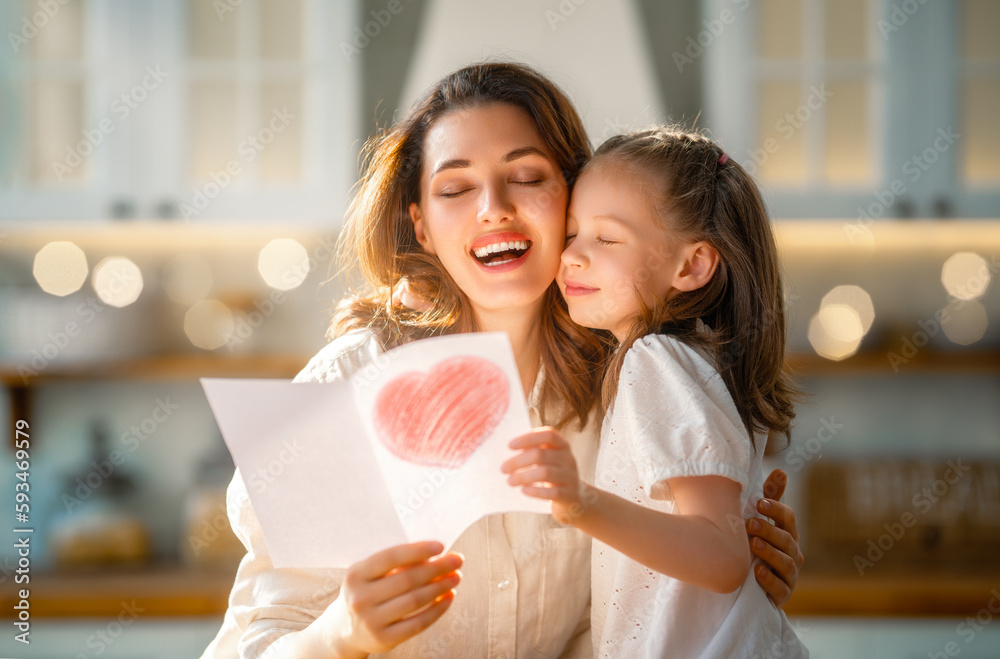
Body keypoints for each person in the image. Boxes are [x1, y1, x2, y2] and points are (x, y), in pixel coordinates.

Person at [200, 63, 804, 659]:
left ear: (572, 196)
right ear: (422, 228)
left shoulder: (626, 385)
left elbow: (643, 613)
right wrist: (338, 635)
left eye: (526, 176)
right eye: (455, 189)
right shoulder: (338, 392)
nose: (493, 207)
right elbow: (252, 643)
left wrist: (735, 581)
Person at [502, 127, 808, 657]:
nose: (572, 256)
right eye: (572, 234)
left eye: (607, 238)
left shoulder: (653, 360)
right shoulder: (697, 359)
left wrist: (580, 504)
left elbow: (720, 555)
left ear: (691, 266)